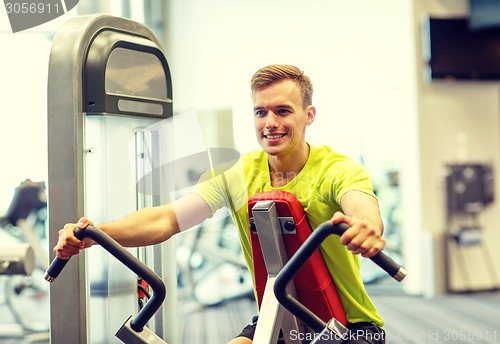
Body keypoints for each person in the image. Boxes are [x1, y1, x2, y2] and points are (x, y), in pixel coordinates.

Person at [54, 64, 386, 344]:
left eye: (283, 110)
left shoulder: (337, 168)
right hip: (279, 313)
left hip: (349, 326)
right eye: (261, 112)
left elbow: (359, 204)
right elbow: (167, 219)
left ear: (308, 115)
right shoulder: (238, 173)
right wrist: (94, 234)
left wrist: (366, 226)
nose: (270, 122)